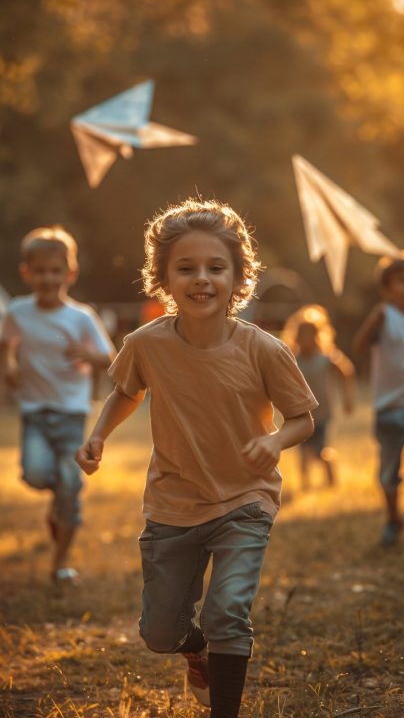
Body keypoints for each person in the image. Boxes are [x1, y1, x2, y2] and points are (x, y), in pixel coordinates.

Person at [75, 198, 317, 718]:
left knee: (227, 612)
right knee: (160, 633)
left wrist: (274, 441)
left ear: (238, 277)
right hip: (173, 504)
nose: (201, 279)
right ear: (163, 277)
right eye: (186, 268)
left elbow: (303, 419)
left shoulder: (264, 349)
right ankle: (195, 649)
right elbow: (126, 391)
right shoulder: (146, 344)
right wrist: (98, 436)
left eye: (216, 267)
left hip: (246, 500)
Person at [0, 226, 115, 582]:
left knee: (69, 483)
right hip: (34, 410)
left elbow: (110, 357)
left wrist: (86, 354)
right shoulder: (18, 311)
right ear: (26, 273)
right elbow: (6, 344)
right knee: (35, 474)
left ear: (70, 273)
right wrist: (9, 366)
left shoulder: (81, 317)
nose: (48, 278)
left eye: (55, 271)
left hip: (71, 412)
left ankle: (60, 562)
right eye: (40, 271)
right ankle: (60, 497)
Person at [352, 250, 404, 547]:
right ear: (386, 291)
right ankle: (394, 520)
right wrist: (374, 319)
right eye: (402, 281)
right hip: (388, 410)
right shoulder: (385, 318)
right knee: (388, 475)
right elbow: (358, 347)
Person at [282, 305, 355, 490]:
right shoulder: (293, 359)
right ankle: (305, 485)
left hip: (323, 413)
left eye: (310, 335)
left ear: (318, 335)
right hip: (301, 413)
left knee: (321, 450)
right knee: (303, 450)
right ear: (296, 336)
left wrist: (347, 398)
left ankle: (331, 480)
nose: (305, 339)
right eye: (302, 335)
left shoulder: (326, 358)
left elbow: (346, 372)